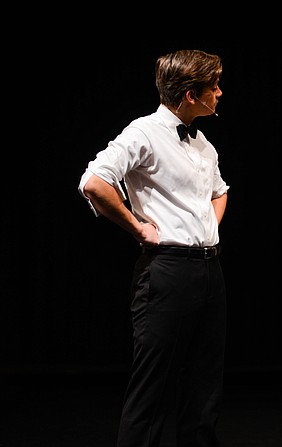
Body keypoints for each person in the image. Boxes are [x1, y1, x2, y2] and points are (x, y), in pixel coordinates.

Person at [78, 49, 229, 447]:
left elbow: (220, 191)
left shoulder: (204, 145)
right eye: (213, 86)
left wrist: (207, 228)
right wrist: (136, 227)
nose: (220, 92)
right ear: (191, 95)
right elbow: (94, 182)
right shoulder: (143, 132)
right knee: (154, 384)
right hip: (168, 270)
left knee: (203, 384)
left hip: (209, 271)